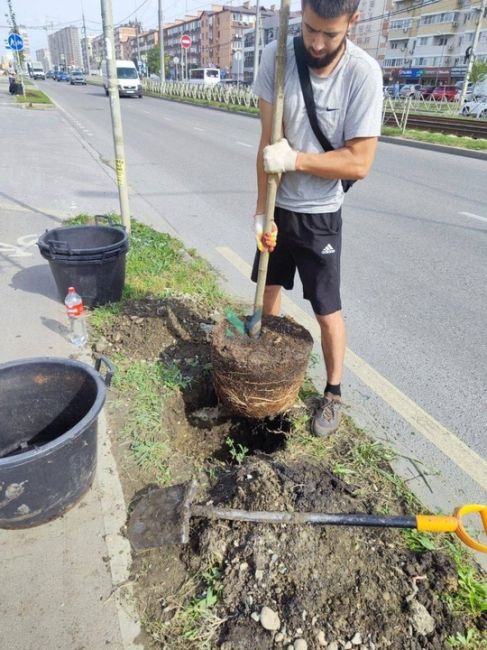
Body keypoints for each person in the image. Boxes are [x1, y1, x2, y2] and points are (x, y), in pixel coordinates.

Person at [251, 0, 383, 437]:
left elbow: (359, 162)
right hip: (278, 205)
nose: (317, 42)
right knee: (268, 289)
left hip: (320, 216)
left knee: (326, 310)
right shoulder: (277, 55)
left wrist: (298, 160)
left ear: (353, 21)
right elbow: (268, 144)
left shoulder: (362, 75)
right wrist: (260, 211)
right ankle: (265, 371)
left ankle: (333, 392)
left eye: (330, 34)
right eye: (310, 29)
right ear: (302, 12)